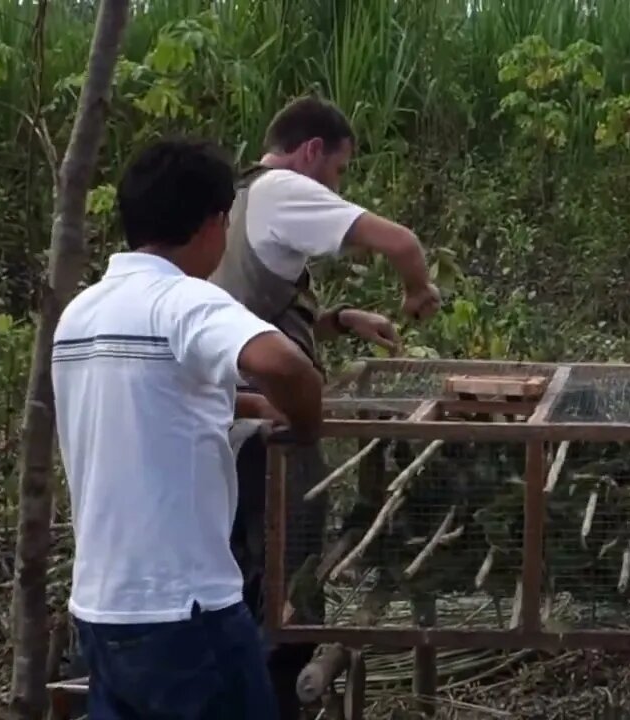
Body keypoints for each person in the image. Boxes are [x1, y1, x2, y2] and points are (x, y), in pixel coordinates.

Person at [52, 137, 324, 719]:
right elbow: (285, 365)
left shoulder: (80, 313)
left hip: (101, 610)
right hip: (187, 610)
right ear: (213, 223)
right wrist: (305, 421)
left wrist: (252, 410)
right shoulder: (187, 301)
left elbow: (150, 408)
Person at [207, 94, 441, 718]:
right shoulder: (286, 186)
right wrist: (418, 288)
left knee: (244, 562)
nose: (337, 184)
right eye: (339, 169)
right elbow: (400, 241)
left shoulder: (241, 195)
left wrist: (335, 319)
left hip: (224, 420)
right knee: (288, 568)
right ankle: (278, 697)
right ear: (312, 150)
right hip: (266, 426)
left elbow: (249, 312)